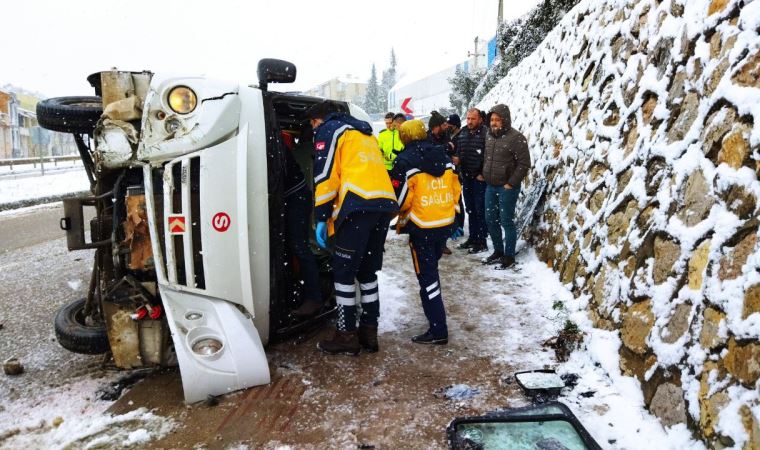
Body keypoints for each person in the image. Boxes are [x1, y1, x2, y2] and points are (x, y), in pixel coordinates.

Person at [307, 101, 399, 355]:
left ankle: (346, 335)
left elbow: (325, 176)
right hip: (382, 205)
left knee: (343, 273)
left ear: (319, 119)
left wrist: (322, 216)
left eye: (312, 124)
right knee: (367, 272)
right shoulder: (363, 132)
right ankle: (369, 333)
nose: (313, 130)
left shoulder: (329, 130)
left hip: (357, 205)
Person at [391, 120, 461, 345]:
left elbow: (402, 200)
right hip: (444, 224)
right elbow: (455, 190)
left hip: (422, 227)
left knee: (428, 276)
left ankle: (438, 329)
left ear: (405, 137)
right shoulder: (444, 156)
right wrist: (451, 211)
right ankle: (436, 322)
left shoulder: (405, 161)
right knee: (432, 270)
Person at [280, 131, 324, 318]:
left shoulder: (276, 146)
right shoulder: (276, 143)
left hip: (296, 197)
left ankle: (314, 297)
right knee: (292, 246)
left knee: (299, 246)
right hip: (294, 196)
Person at [482, 104, 531, 269]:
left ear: (505, 120)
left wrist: (511, 183)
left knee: (506, 221)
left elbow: (524, 164)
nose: (494, 123)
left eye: (497, 119)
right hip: (490, 186)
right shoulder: (489, 136)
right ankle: (498, 251)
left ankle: (509, 256)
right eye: (492, 119)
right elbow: (487, 158)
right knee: (490, 220)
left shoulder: (516, 138)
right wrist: (484, 172)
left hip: (507, 188)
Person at [452, 108, 489, 254]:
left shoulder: (486, 134)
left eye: (473, 119)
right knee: (470, 209)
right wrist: (458, 161)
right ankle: (473, 238)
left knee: (480, 210)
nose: (470, 121)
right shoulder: (463, 133)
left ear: (480, 119)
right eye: (468, 118)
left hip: (479, 179)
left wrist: (482, 173)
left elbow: (490, 157)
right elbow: (459, 152)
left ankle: (482, 241)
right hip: (466, 177)